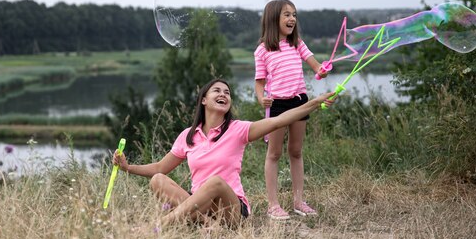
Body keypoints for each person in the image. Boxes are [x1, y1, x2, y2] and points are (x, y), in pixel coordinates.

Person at [112, 78, 335, 228]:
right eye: (217, 91)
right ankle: (208, 227)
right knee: (158, 180)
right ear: (203, 100)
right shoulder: (188, 136)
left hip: (231, 208)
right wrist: (127, 167)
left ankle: (161, 226)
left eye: (227, 93)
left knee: (216, 182)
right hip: (201, 207)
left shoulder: (238, 129)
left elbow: (279, 120)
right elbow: (160, 168)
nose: (223, 94)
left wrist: (314, 102)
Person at [254, 0, 329, 220]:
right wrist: (261, 98)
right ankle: (273, 205)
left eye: (294, 15)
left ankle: (298, 202)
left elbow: (315, 66)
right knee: (274, 153)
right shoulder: (262, 50)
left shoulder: (298, 44)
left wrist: (322, 70)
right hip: (277, 104)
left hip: (300, 100)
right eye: (287, 15)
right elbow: (259, 82)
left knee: (296, 151)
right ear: (272, 18)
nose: (292, 19)